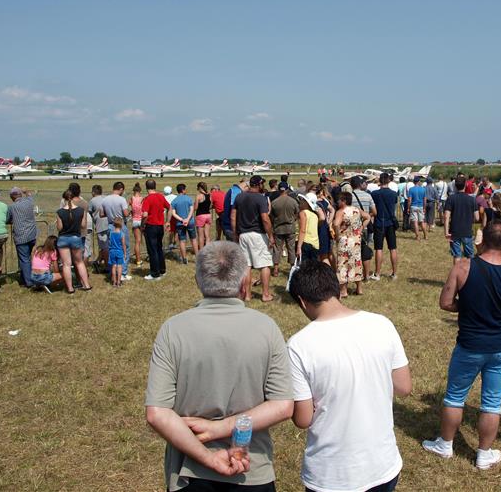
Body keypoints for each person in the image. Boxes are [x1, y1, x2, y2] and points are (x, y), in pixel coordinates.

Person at [145, 242, 294, 492]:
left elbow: (157, 413)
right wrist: (225, 430)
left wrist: (209, 451)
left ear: (198, 280)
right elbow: (282, 405)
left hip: (189, 471)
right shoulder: (266, 328)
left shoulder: (173, 329)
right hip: (250, 467)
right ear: (244, 282)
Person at [287, 260, 411, 492]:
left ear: (303, 302)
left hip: (332, 474)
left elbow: (303, 419)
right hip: (382, 465)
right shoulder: (382, 324)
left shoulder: (298, 346)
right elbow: (403, 387)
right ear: (336, 289)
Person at [422, 222, 501, 470]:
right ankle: (484, 452)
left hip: (470, 344)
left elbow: (446, 302)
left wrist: (468, 306)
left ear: (482, 242)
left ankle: (445, 444)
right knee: (492, 402)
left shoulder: (462, 266)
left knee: (454, 396)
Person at [232, 176, 275, 302]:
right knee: (265, 264)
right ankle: (266, 294)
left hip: (243, 234)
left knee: (247, 266)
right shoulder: (260, 198)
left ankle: (247, 295)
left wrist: (235, 233)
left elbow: (233, 216)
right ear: (259, 184)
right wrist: (271, 236)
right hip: (257, 234)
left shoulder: (239, 197)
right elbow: (265, 219)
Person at [333, 192, 371, 298]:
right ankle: (359, 288)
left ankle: (343, 291)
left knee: (343, 264)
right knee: (356, 262)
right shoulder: (356, 210)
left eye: (339, 200)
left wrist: (337, 234)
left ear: (344, 201)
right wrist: (361, 228)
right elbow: (367, 217)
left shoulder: (341, 211)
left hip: (344, 240)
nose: (337, 202)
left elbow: (336, 224)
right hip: (355, 240)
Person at [56, 189, 92, 293]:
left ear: (64, 199)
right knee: (79, 262)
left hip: (63, 238)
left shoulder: (60, 212)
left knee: (66, 264)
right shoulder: (81, 211)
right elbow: (83, 225)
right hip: (76, 238)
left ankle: (70, 288)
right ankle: (86, 285)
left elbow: (59, 228)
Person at [6, 187, 38, 288]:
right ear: (20, 195)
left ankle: (29, 282)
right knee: (27, 257)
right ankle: (25, 277)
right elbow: (29, 195)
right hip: (32, 234)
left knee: (24, 259)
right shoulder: (29, 202)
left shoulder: (12, 207)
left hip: (21, 236)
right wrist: (26, 191)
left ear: (12, 197)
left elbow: (8, 219)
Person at [370, 173, 400, 280]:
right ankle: (394, 273)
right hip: (390, 223)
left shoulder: (374, 193)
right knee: (393, 248)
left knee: (379, 249)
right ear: (388, 181)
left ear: (380, 181)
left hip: (379, 223)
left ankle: (377, 274)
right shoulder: (393, 194)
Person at [443, 175, 479, 263]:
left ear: (455, 185)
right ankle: (470, 274)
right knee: (470, 255)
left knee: (457, 255)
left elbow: (446, 216)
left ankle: (456, 275)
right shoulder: (472, 199)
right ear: (465, 185)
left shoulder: (451, 198)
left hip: (454, 231)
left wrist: (446, 232)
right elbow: (477, 218)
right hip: (467, 230)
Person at [100, 182, 132, 280]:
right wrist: (131, 210)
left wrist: (110, 214)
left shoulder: (104, 199)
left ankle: (113, 271)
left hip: (110, 225)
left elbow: (101, 214)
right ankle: (123, 272)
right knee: (124, 248)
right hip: (121, 225)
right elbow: (126, 214)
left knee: (112, 249)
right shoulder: (121, 199)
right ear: (121, 189)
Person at [141, 179, 171, 281]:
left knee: (152, 250)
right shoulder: (161, 196)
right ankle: (162, 270)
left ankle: (155, 273)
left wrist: (142, 225)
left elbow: (145, 214)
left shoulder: (147, 199)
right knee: (159, 248)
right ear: (155, 186)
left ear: (146, 187)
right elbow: (170, 207)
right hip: (160, 226)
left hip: (151, 226)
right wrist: (168, 221)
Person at [269, 182, 298, 277]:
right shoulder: (293, 201)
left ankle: (276, 268)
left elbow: (271, 216)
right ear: (286, 189)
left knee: (277, 249)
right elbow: (297, 213)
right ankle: (292, 268)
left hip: (278, 228)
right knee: (291, 248)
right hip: (290, 228)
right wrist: (292, 219)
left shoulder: (274, 202)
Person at [350, 176, 377, 280]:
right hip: (364, 226)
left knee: (352, 252)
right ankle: (366, 275)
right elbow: (375, 212)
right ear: (360, 184)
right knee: (365, 252)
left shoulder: (349, 197)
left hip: (352, 227)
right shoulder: (368, 196)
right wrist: (366, 215)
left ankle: (353, 273)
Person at [171, 184, 198, 265]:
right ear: (183, 190)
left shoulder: (174, 201)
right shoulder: (189, 198)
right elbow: (191, 210)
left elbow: (173, 214)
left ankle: (184, 259)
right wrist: (187, 219)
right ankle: (197, 258)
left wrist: (182, 220)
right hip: (190, 222)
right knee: (193, 239)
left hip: (180, 223)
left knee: (182, 241)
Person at [297, 193, 323, 263]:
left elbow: (302, 230)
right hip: (315, 244)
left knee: (304, 267)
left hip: (305, 242)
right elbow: (322, 217)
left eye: (303, 200)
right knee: (313, 267)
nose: (301, 201)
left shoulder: (303, 213)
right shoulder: (315, 215)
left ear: (306, 203)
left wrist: (299, 247)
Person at [88, 185, 109, 272]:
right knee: (106, 245)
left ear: (93, 192)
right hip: (110, 223)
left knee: (104, 247)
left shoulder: (92, 201)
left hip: (101, 225)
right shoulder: (106, 198)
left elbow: (89, 212)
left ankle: (107, 267)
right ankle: (98, 261)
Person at [108, 218, 127, 287]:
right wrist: (125, 253)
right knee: (119, 267)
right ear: (121, 225)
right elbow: (124, 245)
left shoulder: (111, 233)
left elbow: (110, 242)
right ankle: (118, 282)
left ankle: (114, 282)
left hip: (112, 251)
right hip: (119, 251)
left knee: (113, 266)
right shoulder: (122, 234)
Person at [408, 177, 428, 241]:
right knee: (422, 222)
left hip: (413, 206)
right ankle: (425, 235)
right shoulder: (423, 189)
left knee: (415, 222)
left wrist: (408, 208)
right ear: (419, 182)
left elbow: (409, 200)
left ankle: (417, 236)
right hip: (421, 206)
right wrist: (424, 208)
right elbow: (425, 200)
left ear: (414, 182)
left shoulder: (411, 189)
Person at [194, 182, 213, 249]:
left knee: (201, 236)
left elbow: (195, 208)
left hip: (200, 215)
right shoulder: (210, 195)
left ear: (199, 188)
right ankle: (208, 249)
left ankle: (202, 250)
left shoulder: (199, 196)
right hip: (208, 215)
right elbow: (210, 206)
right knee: (207, 235)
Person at [130, 183, 144, 266]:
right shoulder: (142, 199)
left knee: (137, 241)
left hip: (135, 220)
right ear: (140, 191)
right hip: (142, 220)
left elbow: (130, 208)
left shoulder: (131, 199)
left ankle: (138, 261)